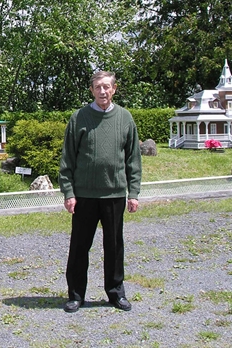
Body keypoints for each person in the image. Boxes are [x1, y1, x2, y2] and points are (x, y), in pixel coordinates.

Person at [58, 71, 142, 313]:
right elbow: (67, 160)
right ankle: (76, 295)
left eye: (106, 87)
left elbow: (133, 160)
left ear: (114, 89)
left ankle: (116, 293)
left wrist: (133, 193)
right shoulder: (79, 118)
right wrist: (69, 192)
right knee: (79, 247)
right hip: (84, 196)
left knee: (114, 247)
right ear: (92, 90)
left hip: (114, 195)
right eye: (98, 87)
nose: (102, 91)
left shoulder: (125, 118)